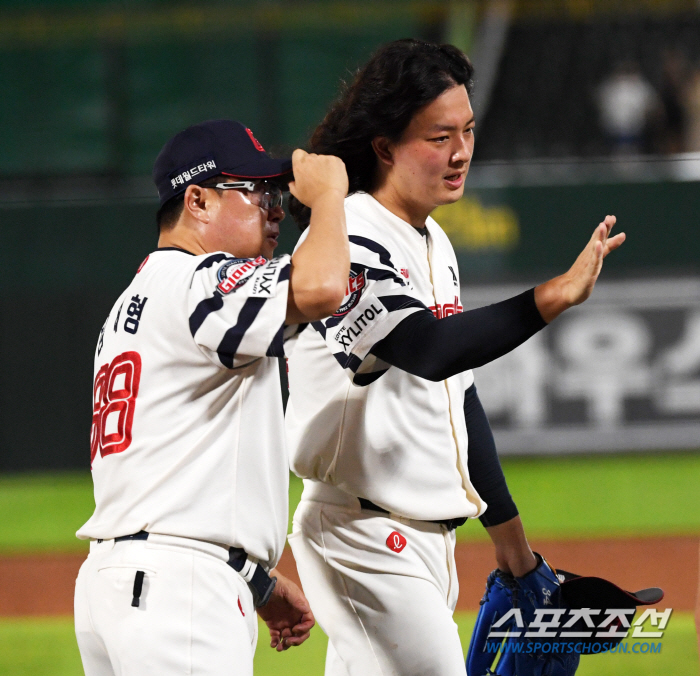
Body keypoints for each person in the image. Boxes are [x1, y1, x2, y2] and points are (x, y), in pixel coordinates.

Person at [284, 39, 625, 676]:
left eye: (467, 131)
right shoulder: (350, 234)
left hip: (422, 538)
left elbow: (457, 401)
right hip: (361, 534)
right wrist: (551, 297)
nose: (461, 151)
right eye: (439, 137)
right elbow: (430, 351)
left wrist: (516, 551)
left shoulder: (434, 241)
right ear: (385, 146)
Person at [73, 119, 350, 676]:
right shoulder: (201, 283)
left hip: (122, 585)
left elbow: (181, 483)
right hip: (178, 595)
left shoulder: (138, 299)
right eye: (258, 192)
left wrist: (259, 582)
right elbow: (323, 288)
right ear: (196, 201)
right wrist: (330, 199)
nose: (275, 209)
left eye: (277, 194)